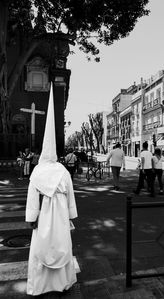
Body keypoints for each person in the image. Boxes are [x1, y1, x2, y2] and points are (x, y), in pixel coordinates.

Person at [25, 83, 78, 296]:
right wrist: (71, 214)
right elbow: (71, 198)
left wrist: (32, 218)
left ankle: (41, 286)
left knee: (42, 248)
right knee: (62, 244)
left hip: (44, 218)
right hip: (62, 217)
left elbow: (32, 199)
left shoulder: (37, 172)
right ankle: (63, 282)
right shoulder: (63, 171)